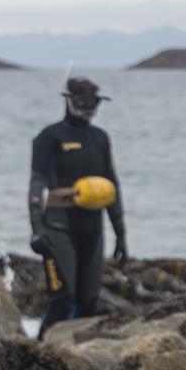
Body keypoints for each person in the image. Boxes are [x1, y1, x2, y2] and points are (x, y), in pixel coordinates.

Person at [28, 76, 128, 339]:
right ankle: (39, 350)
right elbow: (37, 183)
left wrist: (121, 235)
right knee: (63, 297)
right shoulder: (49, 137)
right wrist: (37, 228)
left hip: (93, 230)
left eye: (94, 103)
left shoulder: (101, 138)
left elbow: (112, 186)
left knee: (88, 300)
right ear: (69, 101)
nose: (89, 109)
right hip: (57, 228)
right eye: (83, 102)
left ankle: (75, 353)